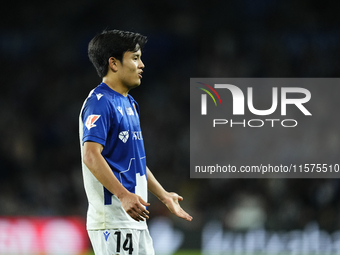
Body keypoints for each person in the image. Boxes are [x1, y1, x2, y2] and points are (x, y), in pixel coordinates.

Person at [79, 29, 192, 255]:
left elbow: (135, 162)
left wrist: (164, 195)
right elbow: (90, 155)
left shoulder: (130, 103)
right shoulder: (99, 103)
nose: (142, 65)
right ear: (114, 63)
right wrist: (123, 195)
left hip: (134, 219)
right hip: (113, 221)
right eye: (135, 58)